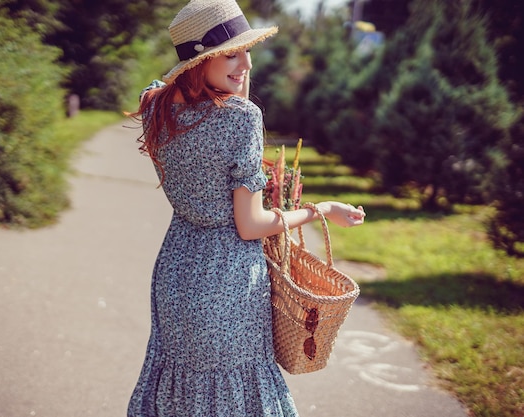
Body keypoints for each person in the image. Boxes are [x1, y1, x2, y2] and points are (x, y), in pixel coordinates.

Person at [126, 1, 366, 415]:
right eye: (231, 53)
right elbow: (251, 225)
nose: (245, 64)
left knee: (182, 392)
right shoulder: (241, 120)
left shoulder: (156, 106)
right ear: (201, 61)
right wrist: (320, 208)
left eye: (246, 50)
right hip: (228, 282)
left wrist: (229, 84)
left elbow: (157, 89)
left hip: (175, 275)